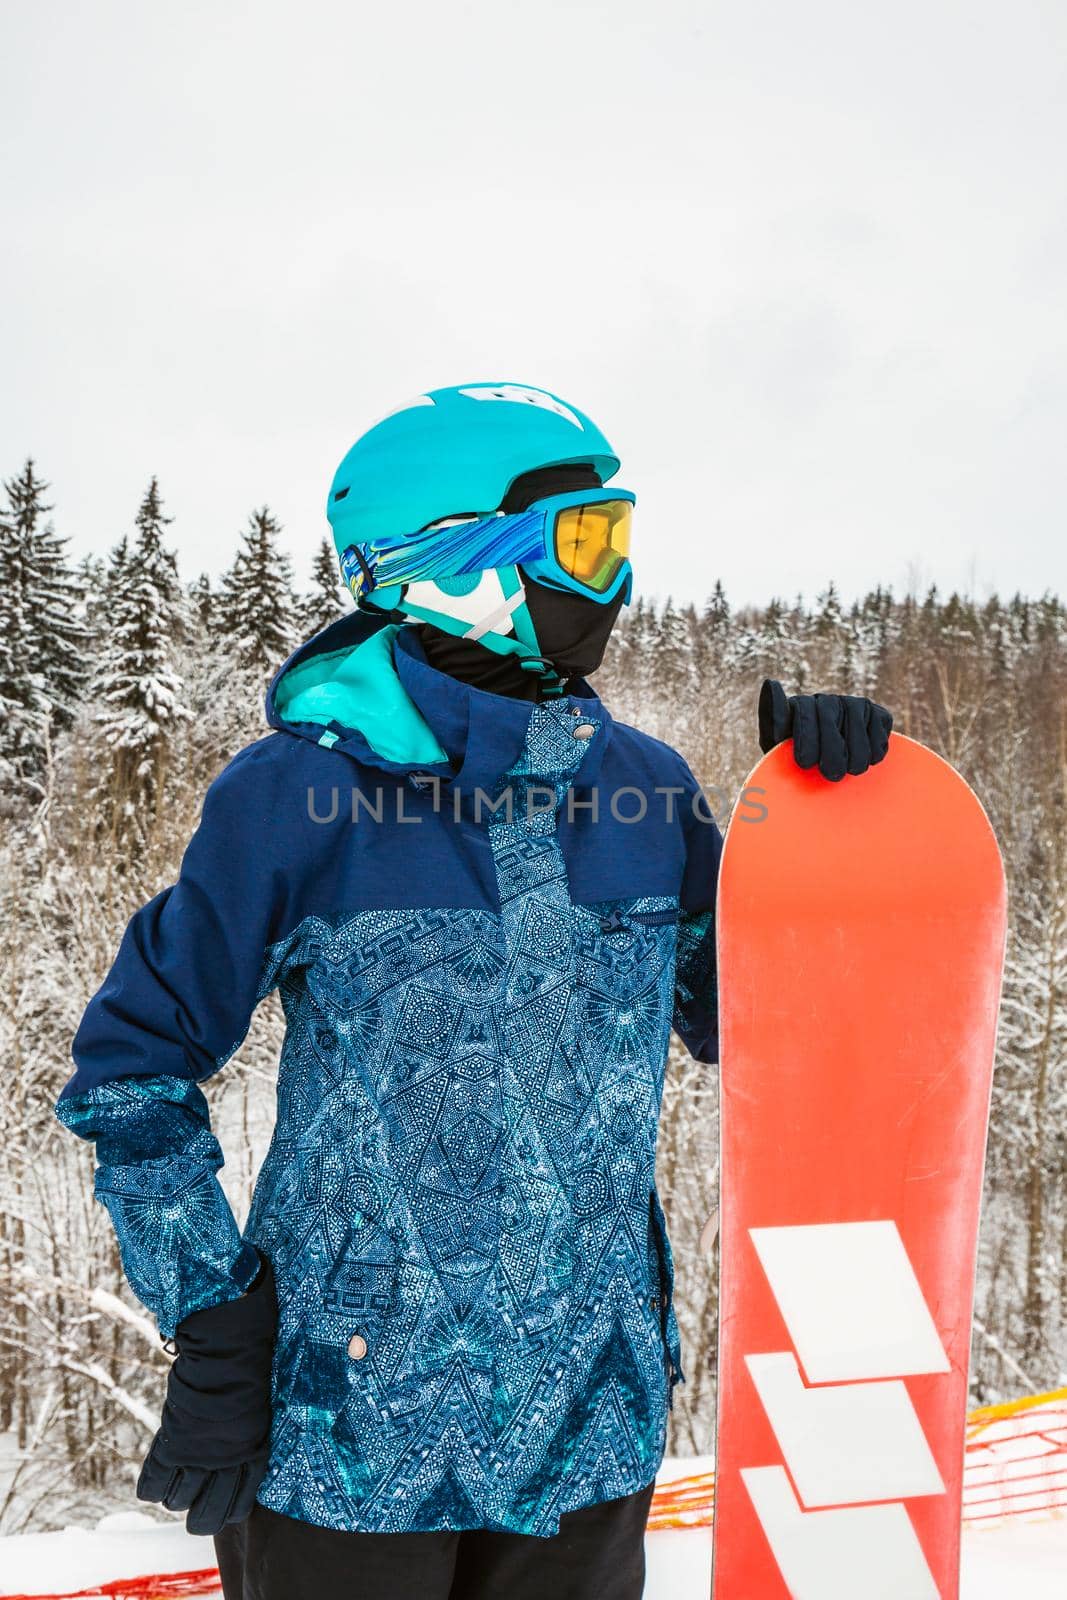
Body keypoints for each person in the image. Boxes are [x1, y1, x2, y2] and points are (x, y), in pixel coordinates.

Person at [55, 383, 892, 1600]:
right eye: (582, 541)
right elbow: (132, 1068)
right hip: (347, 1438)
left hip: (588, 1430)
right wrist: (211, 1310)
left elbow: (747, 1021)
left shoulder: (646, 794)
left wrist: (821, 826)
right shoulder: (295, 796)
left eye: (617, 537)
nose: (612, 580)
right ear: (455, 565)